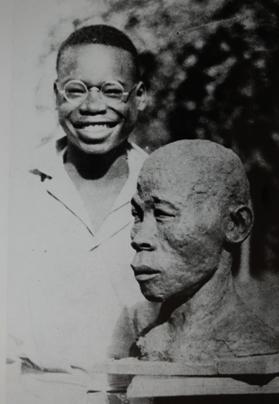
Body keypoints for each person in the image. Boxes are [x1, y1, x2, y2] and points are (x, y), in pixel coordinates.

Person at [7, 24, 148, 403]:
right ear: (56, 95)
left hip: (143, 394)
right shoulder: (15, 189)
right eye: (76, 89)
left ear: (140, 96)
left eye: (113, 91)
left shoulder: (162, 190)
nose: (92, 106)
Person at [129, 139, 279, 363]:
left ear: (235, 225)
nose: (140, 237)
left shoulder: (249, 345)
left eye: (163, 214)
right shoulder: (146, 342)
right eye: (138, 215)